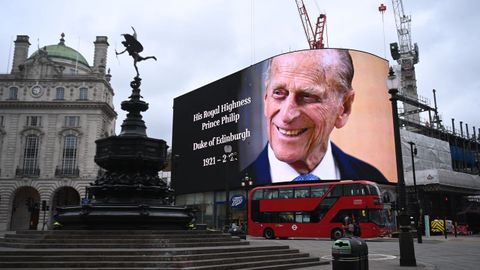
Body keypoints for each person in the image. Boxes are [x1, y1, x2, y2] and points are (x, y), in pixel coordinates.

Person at [247, 49, 388, 184]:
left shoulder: (372, 180)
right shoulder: (233, 187)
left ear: (344, 107)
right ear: (266, 98)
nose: (286, 115)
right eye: (278, 93)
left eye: (307, 96)